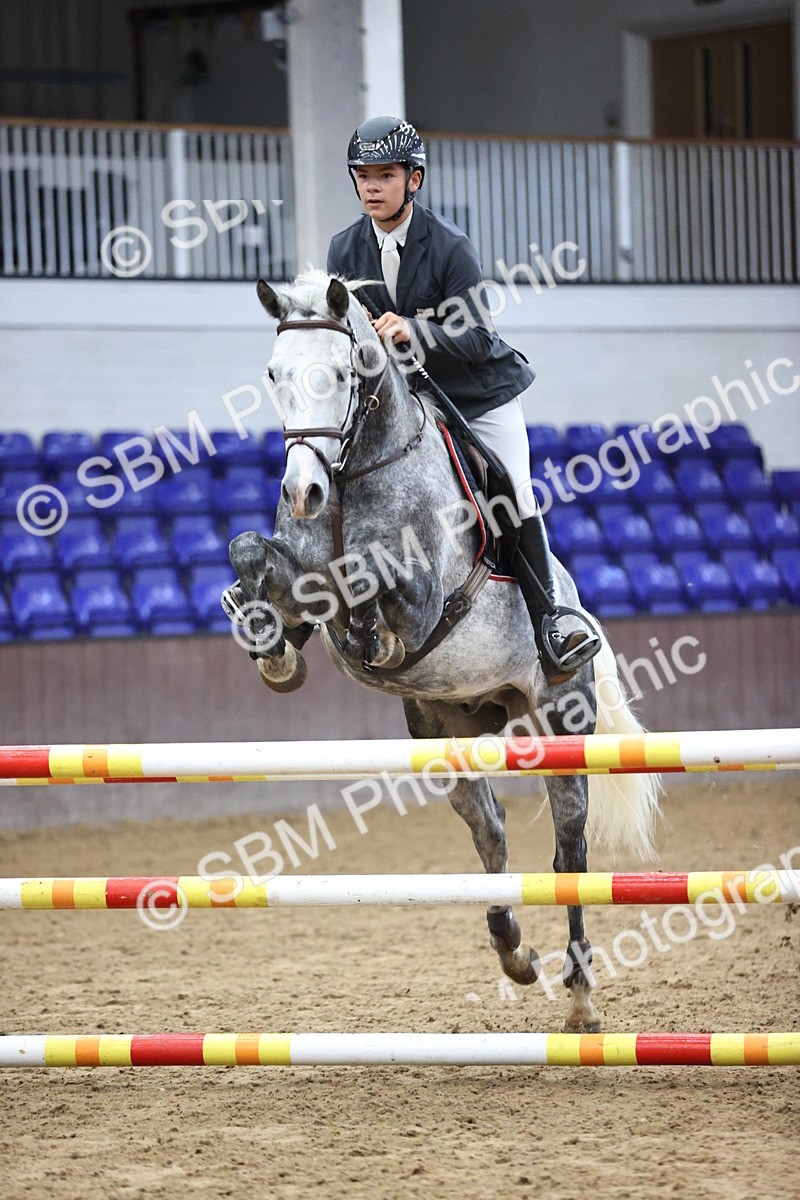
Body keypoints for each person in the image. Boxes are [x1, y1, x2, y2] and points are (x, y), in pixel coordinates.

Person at [327, 114, 600, 685]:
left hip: (477, 393)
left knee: (514, 492)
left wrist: (414, 331)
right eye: (362, 176)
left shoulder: (450, 245)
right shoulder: (345, 249)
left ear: (414, 179)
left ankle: (552, 620)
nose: (371, 187)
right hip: (410, 400)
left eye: (385, 175)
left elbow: (477, 337)